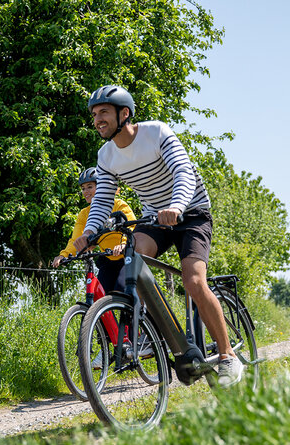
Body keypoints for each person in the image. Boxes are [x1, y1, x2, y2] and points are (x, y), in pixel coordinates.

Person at [72, 84, 244, 387]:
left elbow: (182, 171)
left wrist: (176, 205)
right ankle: (156, 333)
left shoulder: (156, 132)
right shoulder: (106, 155)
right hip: (155, 219)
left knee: (193, 280)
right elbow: (101, 200)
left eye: (103, 112)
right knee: (132, 263)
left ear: (124, 114)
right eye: (94, 114)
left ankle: (228, 355)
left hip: (191, 213)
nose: (97, 119)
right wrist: (89, 233)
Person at [52, 167, 136, 295]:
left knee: (121, 293)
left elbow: (131, 227)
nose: (85, 191)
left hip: (126, 258)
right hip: (107, 260)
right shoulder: (84, 214)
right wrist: (64, 255)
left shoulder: (119, 205)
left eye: (90, 187)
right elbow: (76, 239)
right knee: (100, 297)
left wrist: (123, 244)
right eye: (83, 188)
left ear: (102, 187)